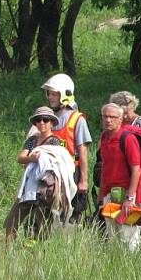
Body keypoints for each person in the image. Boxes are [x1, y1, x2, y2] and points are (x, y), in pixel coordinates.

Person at [5, 106, 75, 240]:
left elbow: (53, 164)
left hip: (44, 189)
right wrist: (31, 159)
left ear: (52, 123)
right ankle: (7, 253)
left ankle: (38, 255)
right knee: (11, 221)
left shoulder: (55, 142)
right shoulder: (31, 140)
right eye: (38, 120)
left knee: (41, 226)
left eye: (45, 120)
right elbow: (21, 157)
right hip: (28, 188)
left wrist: (31, 160)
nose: (41, 123)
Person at [41, 73, 92, 222]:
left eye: (54, 94)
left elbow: (82, 152)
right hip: (49, 173)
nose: (50, 97)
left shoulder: (77, 119)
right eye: (49, 94)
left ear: (65, 94)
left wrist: (84, 180)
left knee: (68, 214)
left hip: (71, 174)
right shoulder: (46, 118)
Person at [97, 103, 141, 251]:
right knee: (112, 237)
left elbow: (137, 170)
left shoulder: (128, 139)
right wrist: (101, 194)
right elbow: (105, 166)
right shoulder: (104, 137)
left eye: (112, 117)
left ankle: (134, 270)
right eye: (105, 116)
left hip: (127, 195)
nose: (108, 120)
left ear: (121, 119)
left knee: (129, 237)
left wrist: (130, 199)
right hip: (110, 195)